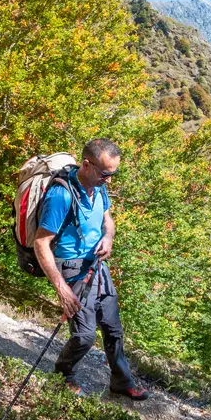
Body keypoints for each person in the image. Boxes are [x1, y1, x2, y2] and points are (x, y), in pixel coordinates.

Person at [33, 138, 148, 400]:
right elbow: (41, 243)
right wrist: (61, 288)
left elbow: (108, 221)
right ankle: (62, 375)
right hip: (71, 269)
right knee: (84, 335)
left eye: (113, 174)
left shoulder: (99, 188)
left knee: (113, 328)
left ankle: (121, 381)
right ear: (86, 164)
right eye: (105, 173)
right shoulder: (61, 195)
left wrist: (108, 238)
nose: (109, 180)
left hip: (97, 265)